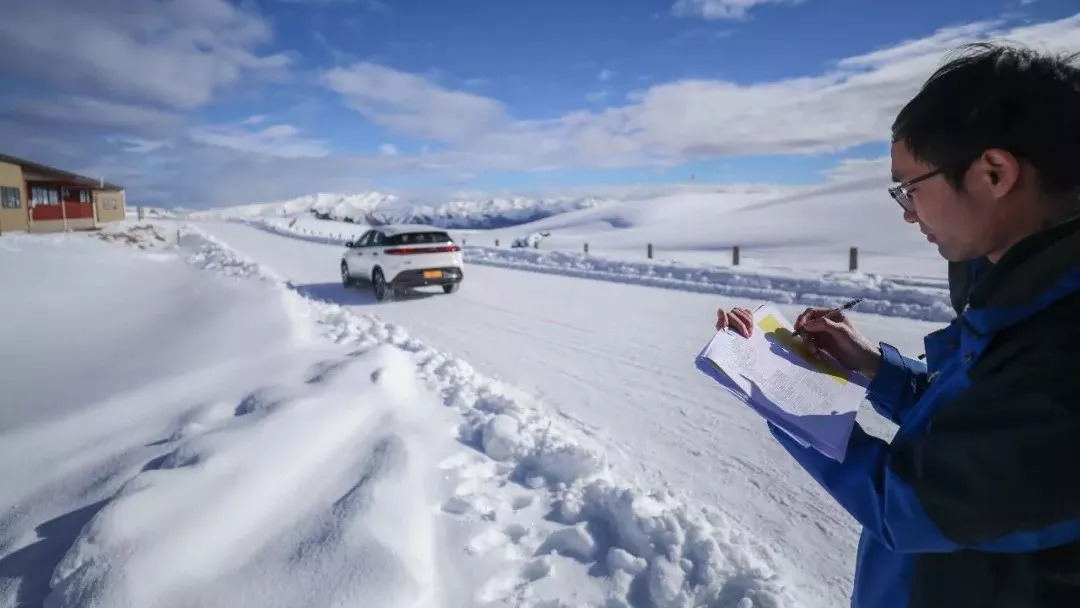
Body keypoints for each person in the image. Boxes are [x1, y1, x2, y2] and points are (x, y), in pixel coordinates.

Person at [717, 42, 1080, 608]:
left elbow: (913, 505)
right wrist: (873, 368)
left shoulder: (1063, 347)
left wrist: (782, 388)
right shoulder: (1027, 301)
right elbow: (978, 423)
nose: (908, 213)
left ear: (994, 172)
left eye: (911, 187)